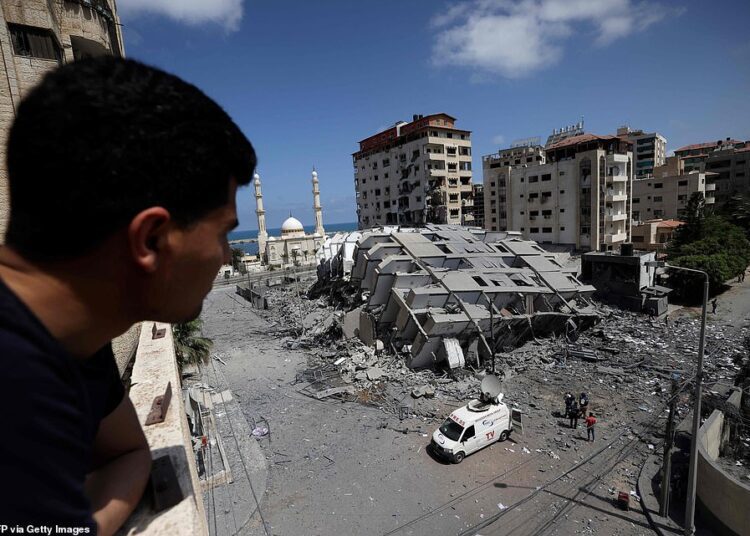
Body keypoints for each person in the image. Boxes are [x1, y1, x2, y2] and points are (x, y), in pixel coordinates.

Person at [0, 58, 256, 534]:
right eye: (223, 234)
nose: (226, 257)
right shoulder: (16, 384)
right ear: (152, 240)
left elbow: (130, 452)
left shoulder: (74, 337)